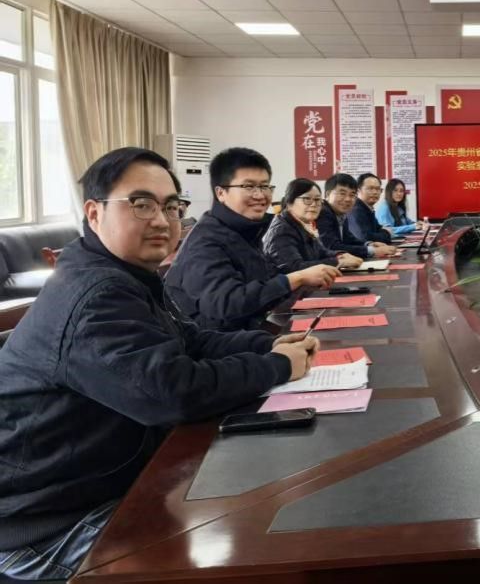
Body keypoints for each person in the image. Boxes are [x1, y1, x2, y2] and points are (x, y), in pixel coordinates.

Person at [0, 147, 317, 581]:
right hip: (46, 525)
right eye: (141, 204)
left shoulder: (125, 275)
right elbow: (172, 393)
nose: (162, 220)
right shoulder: (96, 294)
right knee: (240, 553)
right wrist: (277, 366)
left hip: (105, 483)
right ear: (94, 213)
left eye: (171, 206)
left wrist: (270, 344)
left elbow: (191, 339)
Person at [165, 147, 339, 331]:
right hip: (220, 344)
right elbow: (228, 304)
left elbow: (265, 279)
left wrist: (301, 279)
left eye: (265, 186)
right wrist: (296, 278)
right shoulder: (206, 241)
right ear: (221, 193)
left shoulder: (245, 230)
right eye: (248, 187)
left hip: (251, 333)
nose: (260, 195)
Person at [263, 179, 363, 273]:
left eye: (317, 199)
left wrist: (340, 255)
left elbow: (321, 252)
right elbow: (293, 268)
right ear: (289, 203)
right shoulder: (282, 230)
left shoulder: (303, 224)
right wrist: (338, 262)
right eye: (307, 199)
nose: (314, 204)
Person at [317, 173, 398, 260]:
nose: (348, 199)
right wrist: (372, 250)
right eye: (342, 194)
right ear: (328, 194)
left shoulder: (340, 213)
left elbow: (349, 239)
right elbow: (332, 246)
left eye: (352, 195)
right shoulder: (323, 212)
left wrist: (369, 244)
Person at [347, 172, 393, 244]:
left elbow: (378, 229)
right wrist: (387, 233)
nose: (375, 192)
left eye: (378, 189)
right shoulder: (356, 210)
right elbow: (365, 238)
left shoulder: (368, 208)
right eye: (370, 188)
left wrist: (383, 232)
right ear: (358, 191)